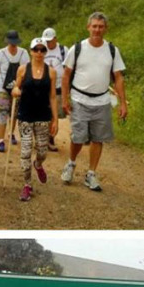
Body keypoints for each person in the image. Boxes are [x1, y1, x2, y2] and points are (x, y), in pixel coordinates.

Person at [61, 12, 127, 192]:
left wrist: (123, 103)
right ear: (88, 27)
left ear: (105, 29)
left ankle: (91, 173)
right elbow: (66, 75)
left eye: (100, 26)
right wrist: (65, 98)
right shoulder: (78, 48)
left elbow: (118, 77)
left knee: (98, 139)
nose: (97, 30)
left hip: (102, 101)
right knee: (78, 137)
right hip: (79, 99)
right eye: (94, 26)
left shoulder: (112, 50)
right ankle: (71, 163)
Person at [11, 38, 58, 202]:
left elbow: (52, 96)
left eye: (42, 50)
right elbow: (16, 88)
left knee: (42, 151)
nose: (39, 53)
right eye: (36, 49)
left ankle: (38, 165)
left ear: (45, 52)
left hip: (43, 117)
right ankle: (27, 185)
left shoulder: (51, 72)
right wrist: (16, 90)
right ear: (31, 51)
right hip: (25, 116)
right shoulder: (23, 70)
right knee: (25, 151)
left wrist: (55, 120)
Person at [0, 30, 30, 153]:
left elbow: (26, 70)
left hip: (17, 88)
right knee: (3, 112)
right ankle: (1, 140)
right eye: (11, 43)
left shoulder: (23, 53)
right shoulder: (0, 53)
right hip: (2, 88)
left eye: (14, 43)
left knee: (14, 112)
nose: (13, 45)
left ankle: (11, 133)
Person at [42, 27, 68, 152]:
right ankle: (42, 138)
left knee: (54, 114)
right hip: (43, 86)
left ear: (55, 39)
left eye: (50, 41)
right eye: (46, 41)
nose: (48, 43)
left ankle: (50, 138)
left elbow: (68, 69)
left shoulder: (63, 50)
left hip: (58, 87)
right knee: (42, 113)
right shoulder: (40, 49)